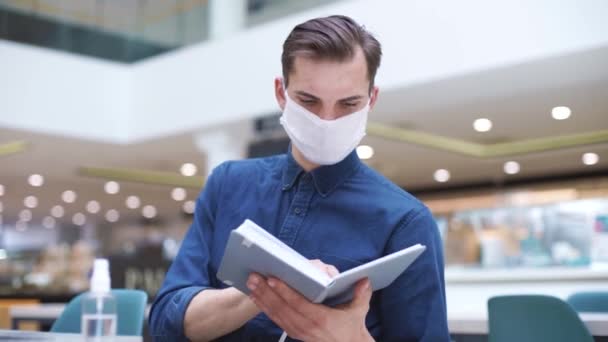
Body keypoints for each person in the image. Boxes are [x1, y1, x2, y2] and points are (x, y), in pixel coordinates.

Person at [149, 15, 449, 341]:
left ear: (371, 100)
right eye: (308, 101)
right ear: (282, 93)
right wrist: (266, 290)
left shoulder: (405, 221)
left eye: (348, 104)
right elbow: (167, 322)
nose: (326, 120)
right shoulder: (228, 184)